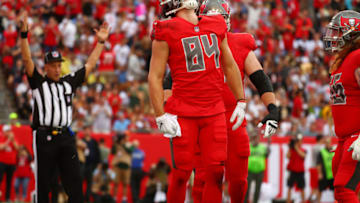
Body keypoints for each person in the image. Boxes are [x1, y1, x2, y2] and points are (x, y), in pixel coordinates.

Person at [162, 0, 280, 202]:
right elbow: (168, 80)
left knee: (238, 181)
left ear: (227, 21)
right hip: (203, 117)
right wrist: (169, 110)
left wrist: (273, 109)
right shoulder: (192, 39)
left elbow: (260, 79)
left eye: (220, 19)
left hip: (233, 120)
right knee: (203, 178)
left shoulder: (240, 43)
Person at [148, 0, 247, 200]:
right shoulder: (165, 30)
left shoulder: (215, 23)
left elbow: (229, 64)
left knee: (216, 173)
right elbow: (155, 77)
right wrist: (160, 115)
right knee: (181, 174)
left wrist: (241, 100)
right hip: (184, 112)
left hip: (214, 110)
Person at [19, 11, 109, 203]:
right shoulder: (39, 83)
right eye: (54, 65)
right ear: (46, 67)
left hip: (66, 136)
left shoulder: (68, 82)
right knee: (44, 184)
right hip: (45, 137)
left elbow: (89, 66)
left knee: (75, 182)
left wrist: (100, 43)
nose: (58, 68)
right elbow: (27, 61)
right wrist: (24, 36)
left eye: (59, 65)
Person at [323, 10, 360, 203]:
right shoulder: (342, 61)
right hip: (344, 139)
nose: (333, 37)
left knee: (343, 189)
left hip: (356, 136)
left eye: (338, 32)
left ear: (351, 33)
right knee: (340, 192)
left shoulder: (357, 57)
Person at [245, 133, 270, 203]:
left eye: (257, 138)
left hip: (259, 171)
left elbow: (267, 155)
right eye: (254, 138)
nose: (255, 140)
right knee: (247, 189)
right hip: (250, 171)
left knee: (257, 189)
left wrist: (269, 146)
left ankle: (255, 201)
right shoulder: (248, 146)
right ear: (252, 139)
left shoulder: (262, 147)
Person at [111, 135, 133, 203]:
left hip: (126, 167)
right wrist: (115, 143)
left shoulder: (129, 145)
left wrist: (123, 144)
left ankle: (124, 199)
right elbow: (112, 152)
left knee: (125, 184)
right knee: (115, 183)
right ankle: (114, 198)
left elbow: (130, 151)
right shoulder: (117, 145)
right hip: (117, 167)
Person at [0, 125, 19, 202]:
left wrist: (13, 140)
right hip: (2, 162)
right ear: (4, 132)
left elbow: (17, 148)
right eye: (7, 131)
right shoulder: (1, 138)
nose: (9, 132)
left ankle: (7, 198)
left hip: (11, 163)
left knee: (9, 181)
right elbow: (1, 147)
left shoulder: (13, 139)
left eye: (9, 131)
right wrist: (8, 140)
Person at [286, 133, 306, 203]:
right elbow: (288, 156)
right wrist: (290, 148)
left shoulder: (303, 149)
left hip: (300, 171)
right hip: (292, 171)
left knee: (302, 188)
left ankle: (303, 201)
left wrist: (296, 148)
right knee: (289, 187)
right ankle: (288, 201)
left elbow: (303, 156)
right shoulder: (292, 150)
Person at [83, 125, 101, 202]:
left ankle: (87, 198)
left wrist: (98, 164)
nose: (87, 131)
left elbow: (97, 153)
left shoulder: (94, 142)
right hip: (82, 165)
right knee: (79, 182)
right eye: (86, 130)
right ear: (84, 131)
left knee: (90, 182)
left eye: (89, 130)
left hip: (91, 165)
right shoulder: (81, 141)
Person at [316, 137, 335, 202]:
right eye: (326, 143)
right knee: (320, 189)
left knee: (335, 191)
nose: (327, 144)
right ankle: (318, 201)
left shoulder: (334, 150)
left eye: (328, 142)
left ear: (330, 143)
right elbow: (318, 164)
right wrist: (320, 173)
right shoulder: (321, 152)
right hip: (324, 174)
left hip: (333, 175)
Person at [308, 134, 324, 202]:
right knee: (316, 188)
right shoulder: (319, 148)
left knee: (315, 188)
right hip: (316, 169)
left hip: (314, 168)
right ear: (320, 139)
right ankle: (311, 201)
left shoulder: (315, 147)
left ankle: (313, 200)